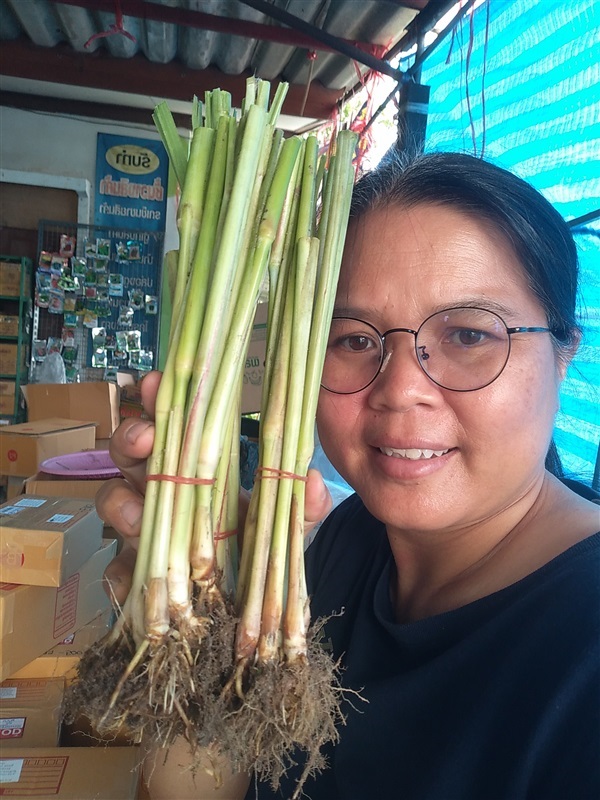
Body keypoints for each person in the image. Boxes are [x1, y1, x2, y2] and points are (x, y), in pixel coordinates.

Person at [98, 150, 600, 800]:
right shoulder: (346, 543)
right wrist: (199, 632)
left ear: (564, 358)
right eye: (355, 340)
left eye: (470, 336)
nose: (401, 390)